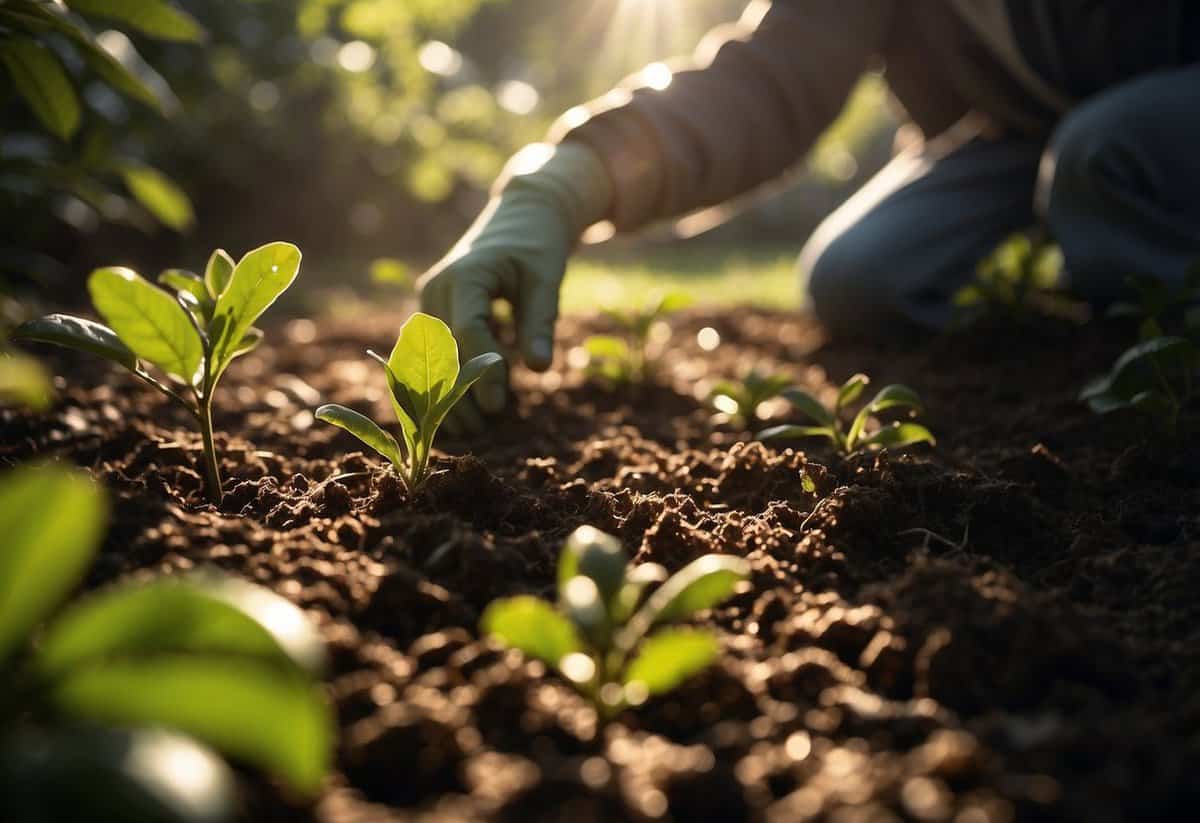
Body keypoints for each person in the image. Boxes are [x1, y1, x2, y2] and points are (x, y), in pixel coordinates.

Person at [418, 1, 1200, 432]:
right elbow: (768, 82)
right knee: (859, 274)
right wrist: (558, 184)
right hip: (1030, 131)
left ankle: (1159, 361)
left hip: (1157, 101)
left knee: (1106, 153)